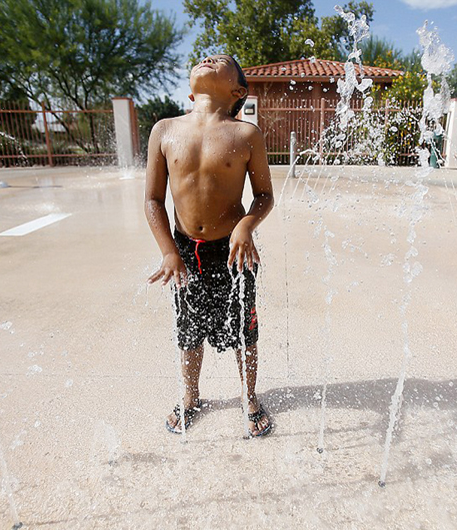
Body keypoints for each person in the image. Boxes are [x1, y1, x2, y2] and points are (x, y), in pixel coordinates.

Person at [144, 54, 274, 438]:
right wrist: (169, 251)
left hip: (234, 253)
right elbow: (152, 200)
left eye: (221, 61)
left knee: (243, 328)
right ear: (189, 91)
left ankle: (248, 396)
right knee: (188, 329)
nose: (208, 59)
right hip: (185, 253)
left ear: (238, 90)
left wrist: (247, 225)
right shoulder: (165, 130)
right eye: (203, 59)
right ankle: (190, 396)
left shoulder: (246, 135)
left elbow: (264, 195)